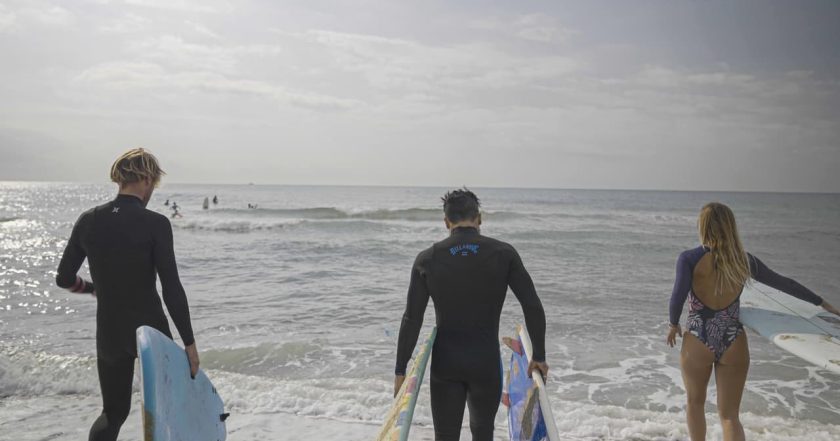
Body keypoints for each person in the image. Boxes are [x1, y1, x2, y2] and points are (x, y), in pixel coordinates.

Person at [55, 148, 199, 441]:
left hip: (110, 331)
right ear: (146, 179)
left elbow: (63, 279)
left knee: (113, 413)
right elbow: (171, 287)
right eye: (153, 185)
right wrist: (190, 344)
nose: (152, 192)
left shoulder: (89, 220)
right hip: (150, 331)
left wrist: (94, 290)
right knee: (169, 410)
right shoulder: (156, 223)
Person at [667, 202, 839, 441]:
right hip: (733, 341)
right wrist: (820, 302)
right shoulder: (744, 261)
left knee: (695, 403)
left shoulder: (688, 259)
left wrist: (673, 323)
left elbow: (678, 295)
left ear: (703, 226)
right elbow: (784, 283)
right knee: (729, 416)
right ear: (730, 227)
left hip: (698, 338)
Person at [394, 188, 548, 441]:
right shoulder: (504, 254)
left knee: (445, 436)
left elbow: (412, 318)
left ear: (446, 222)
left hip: (446, 364)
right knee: (482, 432)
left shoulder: (427, 260)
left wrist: (400, 370)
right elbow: (532, 305)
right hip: (485, 364)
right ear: (479, 219)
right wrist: (539, 356)